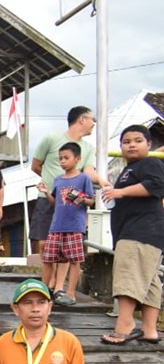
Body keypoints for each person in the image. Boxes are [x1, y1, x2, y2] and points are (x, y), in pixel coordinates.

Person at [31, 106, 110, 294]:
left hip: (71, 206)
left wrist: (102, 181)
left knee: (66, 248)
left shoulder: (88, 148)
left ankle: (58, 285)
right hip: (48, 199)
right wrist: (55, 184)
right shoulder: (51, 139)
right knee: (44, 244)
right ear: (82, 119)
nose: (94, 124)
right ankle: (49, 281)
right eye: (92, 119)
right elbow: (36, 165)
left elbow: (88, 171)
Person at [99, 124, 164, 345]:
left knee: (127, 276)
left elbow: (156, 185)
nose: (132, 145)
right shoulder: (131, 169)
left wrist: (121, 191)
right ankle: (149, 330)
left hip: (140, 231)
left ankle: (124, 324)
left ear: (149, 144)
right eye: (126, 142)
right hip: (144, 232)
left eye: (138, 141)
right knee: (149, 281)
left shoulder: (151, 163)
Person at [36, 143, 95, 307]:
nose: (62, 161)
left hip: (75, 226)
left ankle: (70, 293)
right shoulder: (58, 180)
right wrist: (46, 192)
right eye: (60, 158)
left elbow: (91, 200)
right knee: (48, 259)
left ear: (77, 159)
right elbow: (54, 202)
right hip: (56, 225)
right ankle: (44, 291)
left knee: (74, 260)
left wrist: (81, 199)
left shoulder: (83, 178)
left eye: (66, 158)